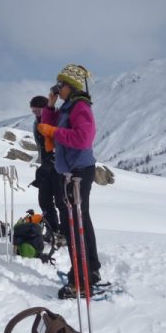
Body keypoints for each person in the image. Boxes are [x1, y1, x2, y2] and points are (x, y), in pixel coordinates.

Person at [38, 64, 101, 299]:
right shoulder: (68, 107)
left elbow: (83, 138)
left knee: (75, 225)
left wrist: (54, 133)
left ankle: (81, 280)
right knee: (79, 220)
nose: (57, 88)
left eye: (60, 84)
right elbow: (50, 125)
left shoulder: (80, 107)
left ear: (70, 86)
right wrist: (50, 105)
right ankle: (90, 271)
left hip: (78, 172)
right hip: (73, 170)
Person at [29, 96, 65, 245]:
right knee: (44, 201)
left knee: (61, 201)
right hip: (45, 166)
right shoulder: (36, 122)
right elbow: (40, 146)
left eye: (38, 109)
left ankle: (64, 233)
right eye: (33, 110)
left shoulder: (54, 119)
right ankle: (52, 230)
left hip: (58, 166)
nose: (35, 113)